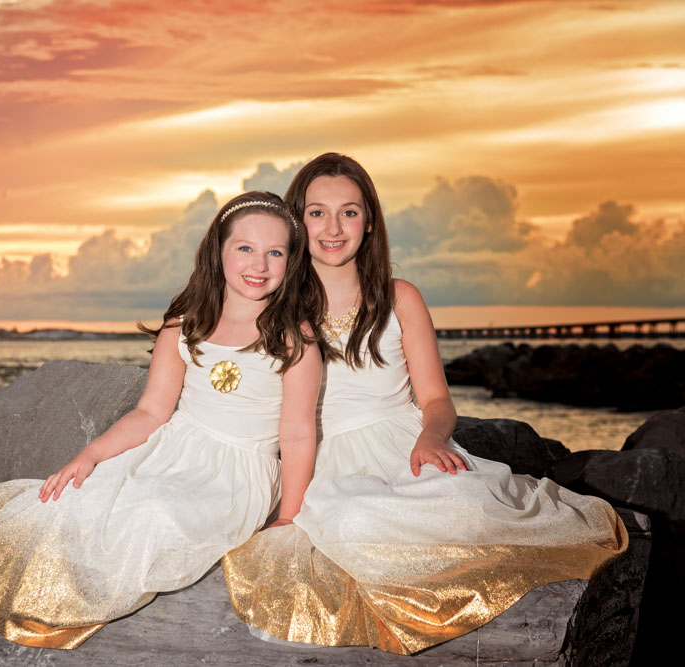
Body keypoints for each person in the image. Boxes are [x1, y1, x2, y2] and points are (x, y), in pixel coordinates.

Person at [221, 154, 627, 655]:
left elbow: (436, 398)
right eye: (316, 212)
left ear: (369, 223)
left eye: (349, 212)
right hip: (323, 458)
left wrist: (432, 436)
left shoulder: (400, 298)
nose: (333, 227)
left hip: (402, 440)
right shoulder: (278, 309)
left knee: (468, 503)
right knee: (350, 518)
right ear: (296, 222)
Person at [0, 191, 324, 649]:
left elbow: (297, 434)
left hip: (239, 470)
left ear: (290, 261)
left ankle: (74, 603)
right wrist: (91, 455)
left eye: (274, 252)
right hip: (175, 448)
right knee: (83, 499)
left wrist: (289, 517)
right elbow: (151, 412)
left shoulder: (294, 336)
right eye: (245, 248)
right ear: (217, 252)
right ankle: (47, 583)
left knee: (158, 515)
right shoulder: (187, 323)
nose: (260, 263)